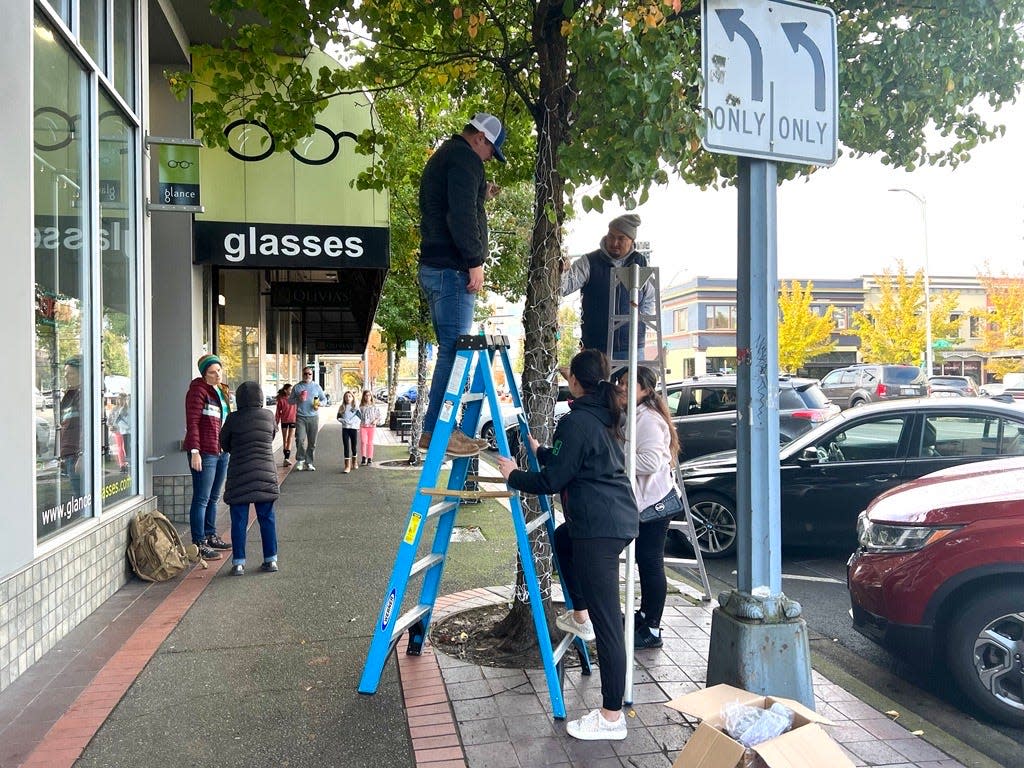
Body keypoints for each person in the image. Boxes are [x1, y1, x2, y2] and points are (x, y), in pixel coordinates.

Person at [496, 349, 637, 741]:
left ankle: (611, 717)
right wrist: (542, 451)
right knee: (561, 540)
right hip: (609, 519)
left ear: (575, 381)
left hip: (600, 528)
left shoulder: (576, 421)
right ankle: (579, 615)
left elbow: (552, 481)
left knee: (610, 624)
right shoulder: (602, 414)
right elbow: (571, 461)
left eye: (568, 376)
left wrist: (514, 475)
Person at [417, 112, 506, 457]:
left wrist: (480, 191)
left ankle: (438, 428)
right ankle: (438, 430)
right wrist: (474, 262)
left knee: (450, 350)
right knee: (455, 352)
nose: (488, 158)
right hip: (452, 268)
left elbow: (448, 202)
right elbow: (460, 214)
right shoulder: (465, 158)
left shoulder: (447, 156)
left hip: (437, 265)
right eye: (490, 152)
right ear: (481, 138)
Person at [615, 365, 680, 649]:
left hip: (654, 503)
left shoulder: (649, 420)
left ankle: (652, 628)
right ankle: (644, 615)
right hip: (647, 501)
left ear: (646, 389)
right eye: (621, 382)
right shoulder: (636, 414)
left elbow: (651, 463)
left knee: (651, 563)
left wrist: (617, 459)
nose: (623, 387)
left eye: (630, 384)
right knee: (646, 560)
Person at [561, 214, 656, 363]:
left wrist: (640, 328)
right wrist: (562, 272)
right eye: (611, 236)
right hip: (596, 347)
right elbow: (563, 288)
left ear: (631, 241)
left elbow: (649, 298)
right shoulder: (588, 262)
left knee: (632, 386)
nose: (614, 242)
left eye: (621, 238)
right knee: (598, 387)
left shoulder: (641, 262)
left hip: (631, 347)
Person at [219, 381, 280, 576]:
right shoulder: (268, 416)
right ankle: (270, 560)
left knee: (238, 521)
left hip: (239, 474)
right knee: (267, 518)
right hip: (264, 473)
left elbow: (224, 444)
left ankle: (238, 563)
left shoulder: (233, 419)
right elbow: (270, 437)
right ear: (260, 397)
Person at [183, 354, 232, 561]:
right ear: (204, 374)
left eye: (219, 370)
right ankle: (199, 542)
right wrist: (195, 451)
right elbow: (192, 422)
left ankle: (211, 535)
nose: (217, 374)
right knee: (201, 498)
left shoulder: (221, 390)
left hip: (221, 451)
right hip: (204, 452)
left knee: (213, 497)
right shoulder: (198, 390)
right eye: (212, 372)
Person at [289, 365, 326, 471]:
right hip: (301, 416)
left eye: (309, 374)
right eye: (305, 374)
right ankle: (300, 460)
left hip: (313, 417)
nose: (307, 375)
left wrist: (320, 404)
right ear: (302, 374)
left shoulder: (317, 387)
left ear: (312, 375)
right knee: (300, 439)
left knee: (312, 442)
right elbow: (290, 401)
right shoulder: (297, 387)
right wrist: (298, 399)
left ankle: (309, 462)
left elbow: (324, 399)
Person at [59, 356, 84, 499]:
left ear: (81, 375)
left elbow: (85, 428)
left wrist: (82, 455)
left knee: (80, 498)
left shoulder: (82, 396)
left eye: (70, 373)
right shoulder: (69, 395)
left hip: (76, 455)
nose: (66, 376)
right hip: (69, 454)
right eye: (65, 372)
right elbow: (64, 426)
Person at [337, 390, 361, 474]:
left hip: (353, 428)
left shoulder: (355, 407)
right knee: (346, 446)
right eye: (346, 396)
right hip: (345, 429)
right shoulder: (342, 407)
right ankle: (347, 466)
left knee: (354, 446)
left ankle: (354, 462)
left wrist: (351, 422)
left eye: (349, 396)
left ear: (352, 397)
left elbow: (358, 417)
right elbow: (338, 417)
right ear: (344, 398)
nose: (348, 398)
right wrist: (344, 421)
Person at [275, 383, 297, 466]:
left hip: (293, 420)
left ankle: (286, 458)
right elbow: (278, 412)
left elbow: (297, 410)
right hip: (284, 421)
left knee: (290, 438)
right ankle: (286, 457)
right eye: (290, 390)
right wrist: (276, 423)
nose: (291, 391)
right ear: (285, 390)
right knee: (285, 439)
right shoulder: (281, 400)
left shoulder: (294, 399)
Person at [358, 390, 383, 465]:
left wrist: (375, 421)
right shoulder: (361, 407)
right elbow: (357, 416)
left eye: (369, 395)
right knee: (363, 441)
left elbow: (379, 416)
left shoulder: (374, 406)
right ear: (364, 396)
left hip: (371, 426)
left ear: (371, 396)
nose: (367, 397)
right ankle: (363, 457)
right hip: (363, 426)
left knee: (370, 442)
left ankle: (369, 458)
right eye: (366, 395)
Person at [111, 393, 131, 472]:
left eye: (122, 398)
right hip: (118, 430)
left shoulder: (127, 408)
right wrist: (111, 426)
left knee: (126, 447)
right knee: (120, 447)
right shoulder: (115, 409)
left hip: (126, 431)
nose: (120, 400)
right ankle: (122, 464)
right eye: (119, 398)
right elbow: (110, 420)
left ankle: (127, 462)